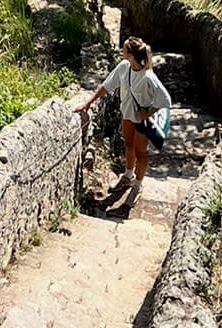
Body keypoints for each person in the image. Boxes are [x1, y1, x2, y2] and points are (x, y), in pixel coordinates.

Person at [74, 34, 172, 206]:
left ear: (131, 54)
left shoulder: (148, 76)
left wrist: (148, 114)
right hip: (127, 115)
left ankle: (138, 185)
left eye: (124, 48)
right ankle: (128, 176)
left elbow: (165, 100)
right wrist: (88, 103)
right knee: (128, 145)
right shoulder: (123, 68)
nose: (121, 50)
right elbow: (106, 86)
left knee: (141, 152)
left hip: (143, 120)